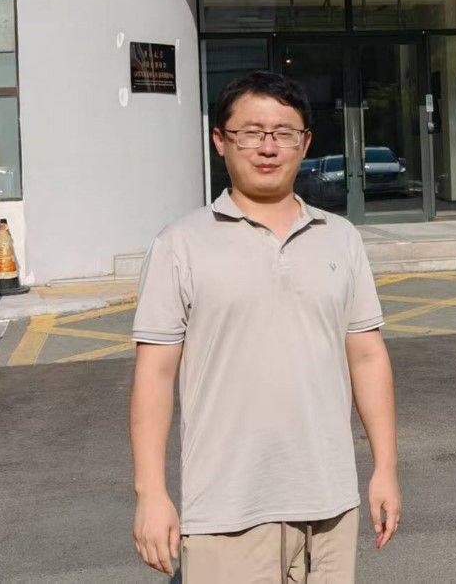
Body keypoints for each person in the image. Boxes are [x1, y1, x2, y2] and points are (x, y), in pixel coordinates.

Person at [130, 70, 401, 582]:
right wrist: (151, 493)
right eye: (251, 133)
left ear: (306, 143)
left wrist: (385, 468)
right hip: (227, 511)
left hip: (330, 505)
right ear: (221, 140)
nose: (268, 147)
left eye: (284, 133)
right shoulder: (180, 245)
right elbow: (155, 375)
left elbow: (367, 356)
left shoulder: (340, 238)